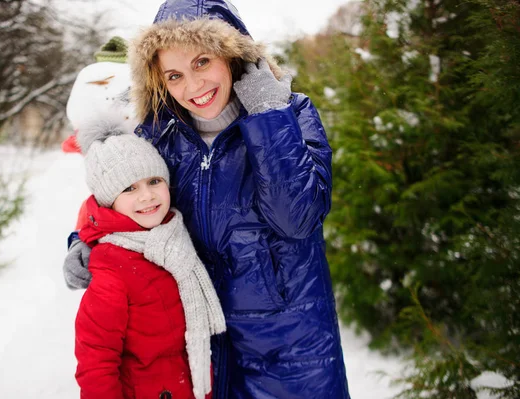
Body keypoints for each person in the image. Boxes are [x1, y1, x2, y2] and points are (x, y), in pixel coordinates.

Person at [64, 1, 350, 397]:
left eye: (202, 62)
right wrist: (85, 239)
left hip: (290, 352)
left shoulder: (291, 115)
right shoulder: (160, 134)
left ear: (234, 55)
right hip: (202, 346)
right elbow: (123, 196)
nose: (193, 87)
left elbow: (297, 218)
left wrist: (267, 114)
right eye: (175, 75)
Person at [70, 75, 226, 399]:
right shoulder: (112, 269)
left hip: (194, 386)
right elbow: (96, 361)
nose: (147, 196)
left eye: (154, 181)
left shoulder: (175, 237)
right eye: (129, 188)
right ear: (109, 199)